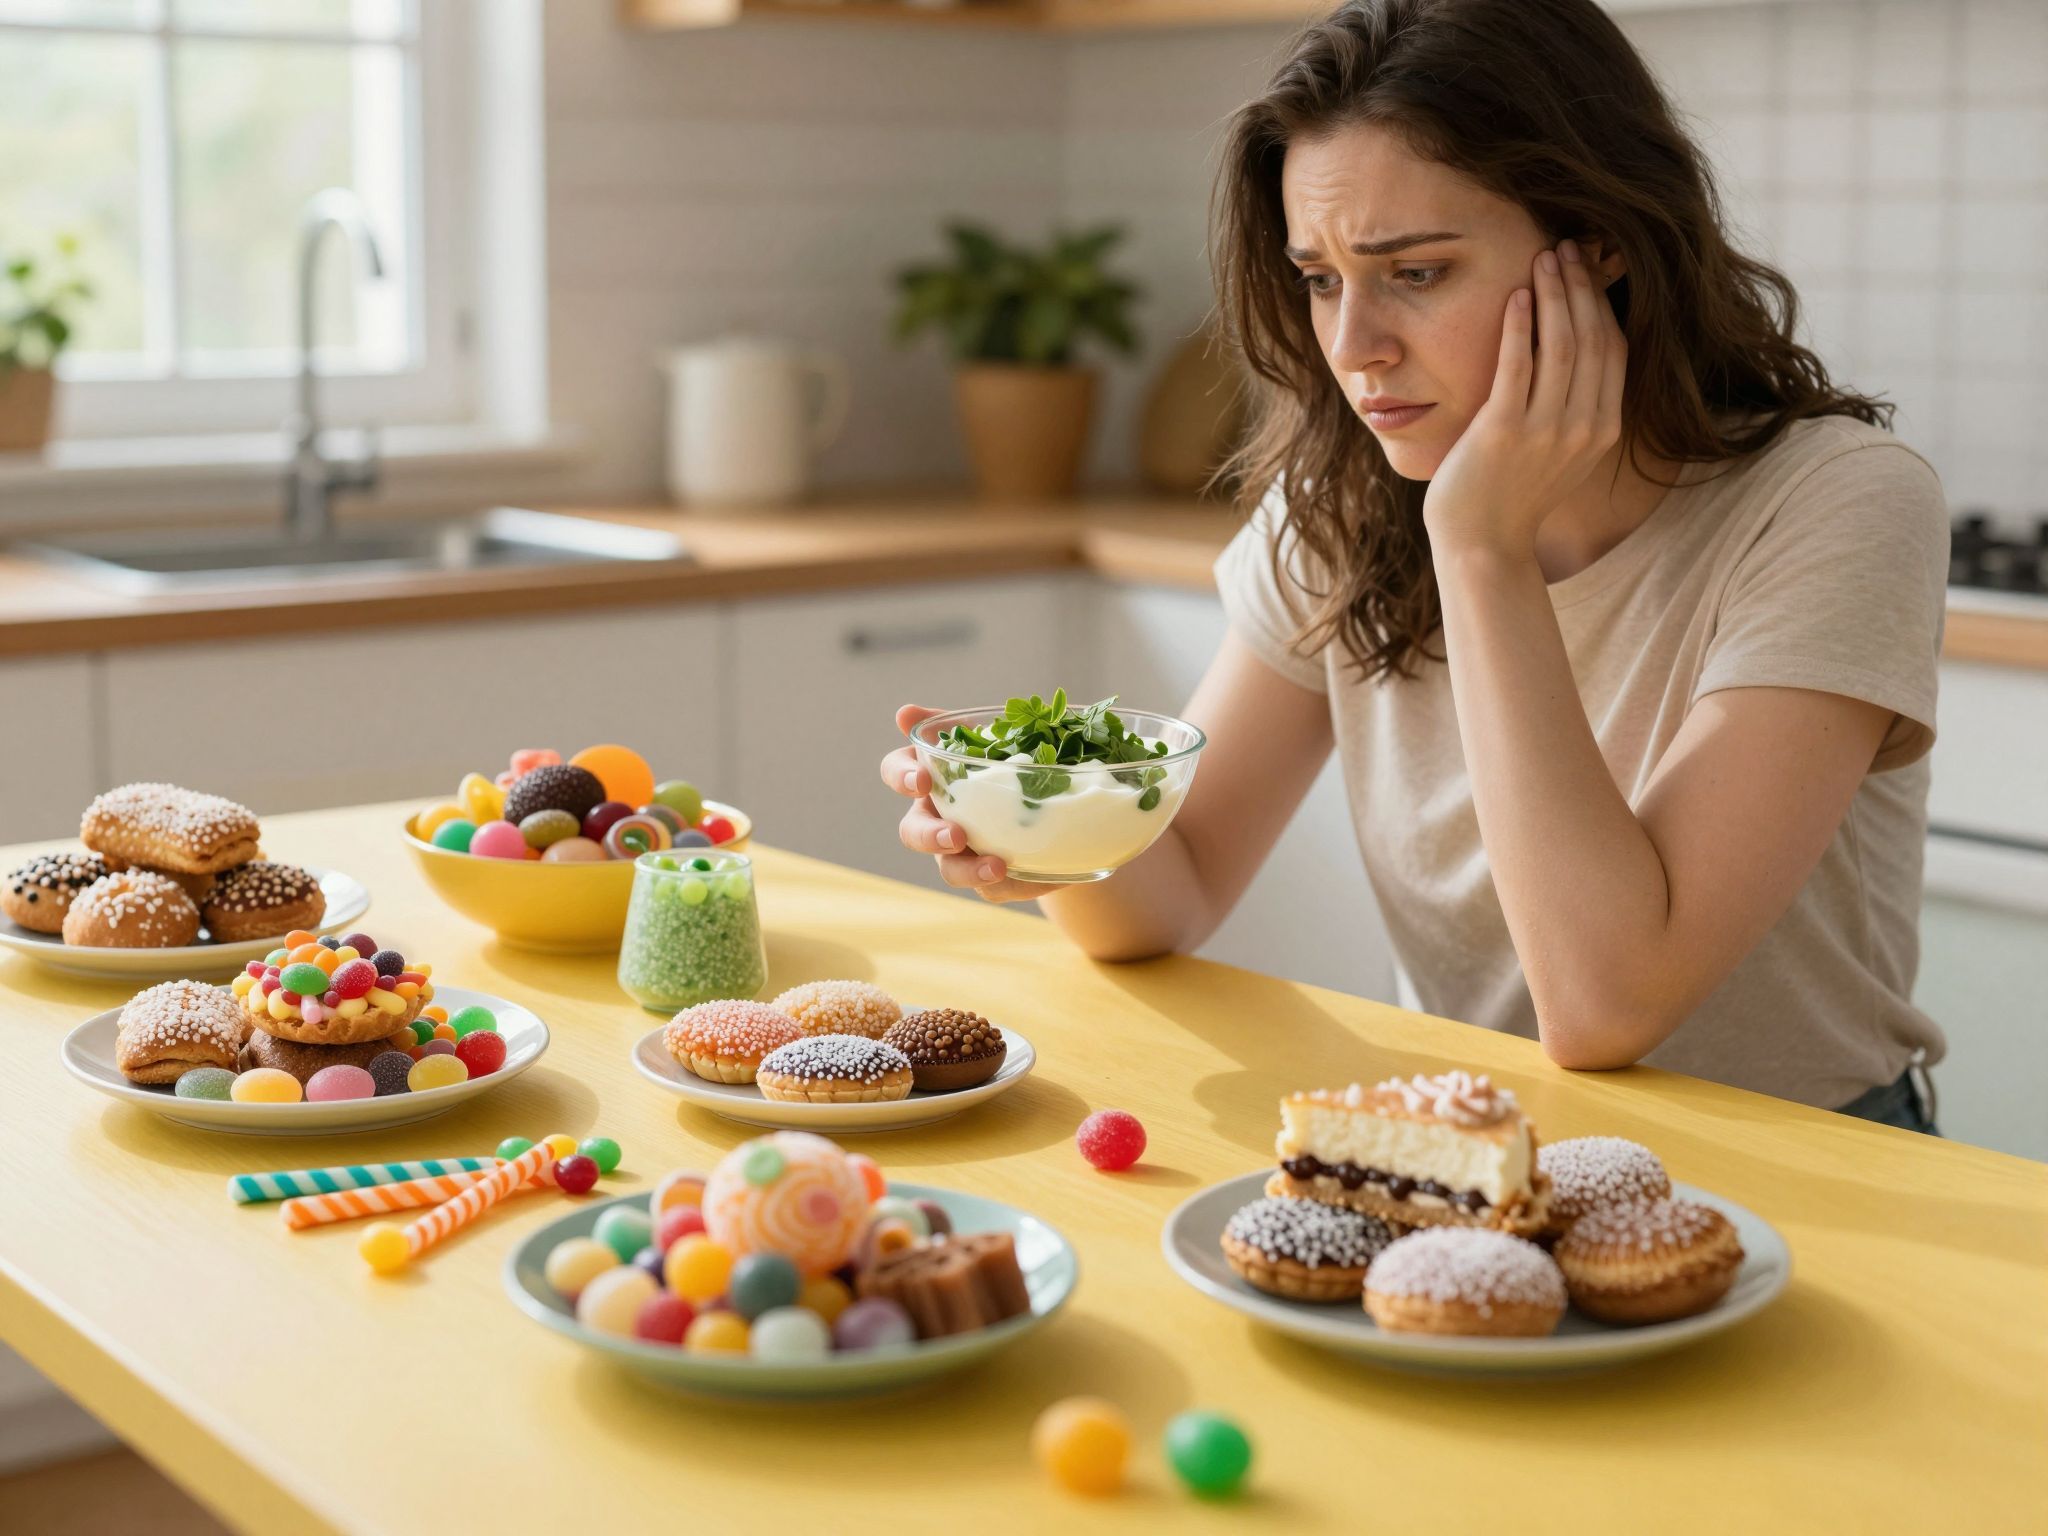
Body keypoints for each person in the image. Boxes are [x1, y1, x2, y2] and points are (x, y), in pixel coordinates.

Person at [879, 0, 1946, 1133]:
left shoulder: (1836, 501)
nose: (1352, 349)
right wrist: (1038, 826)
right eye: (1322, 278)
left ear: (1602, 245)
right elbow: (1173, 883)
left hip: (1812, 1169)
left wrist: (1480, 546)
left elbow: (1604, 1005)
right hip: (1467, 1152)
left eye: (1417, 273)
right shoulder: (1340, 501)